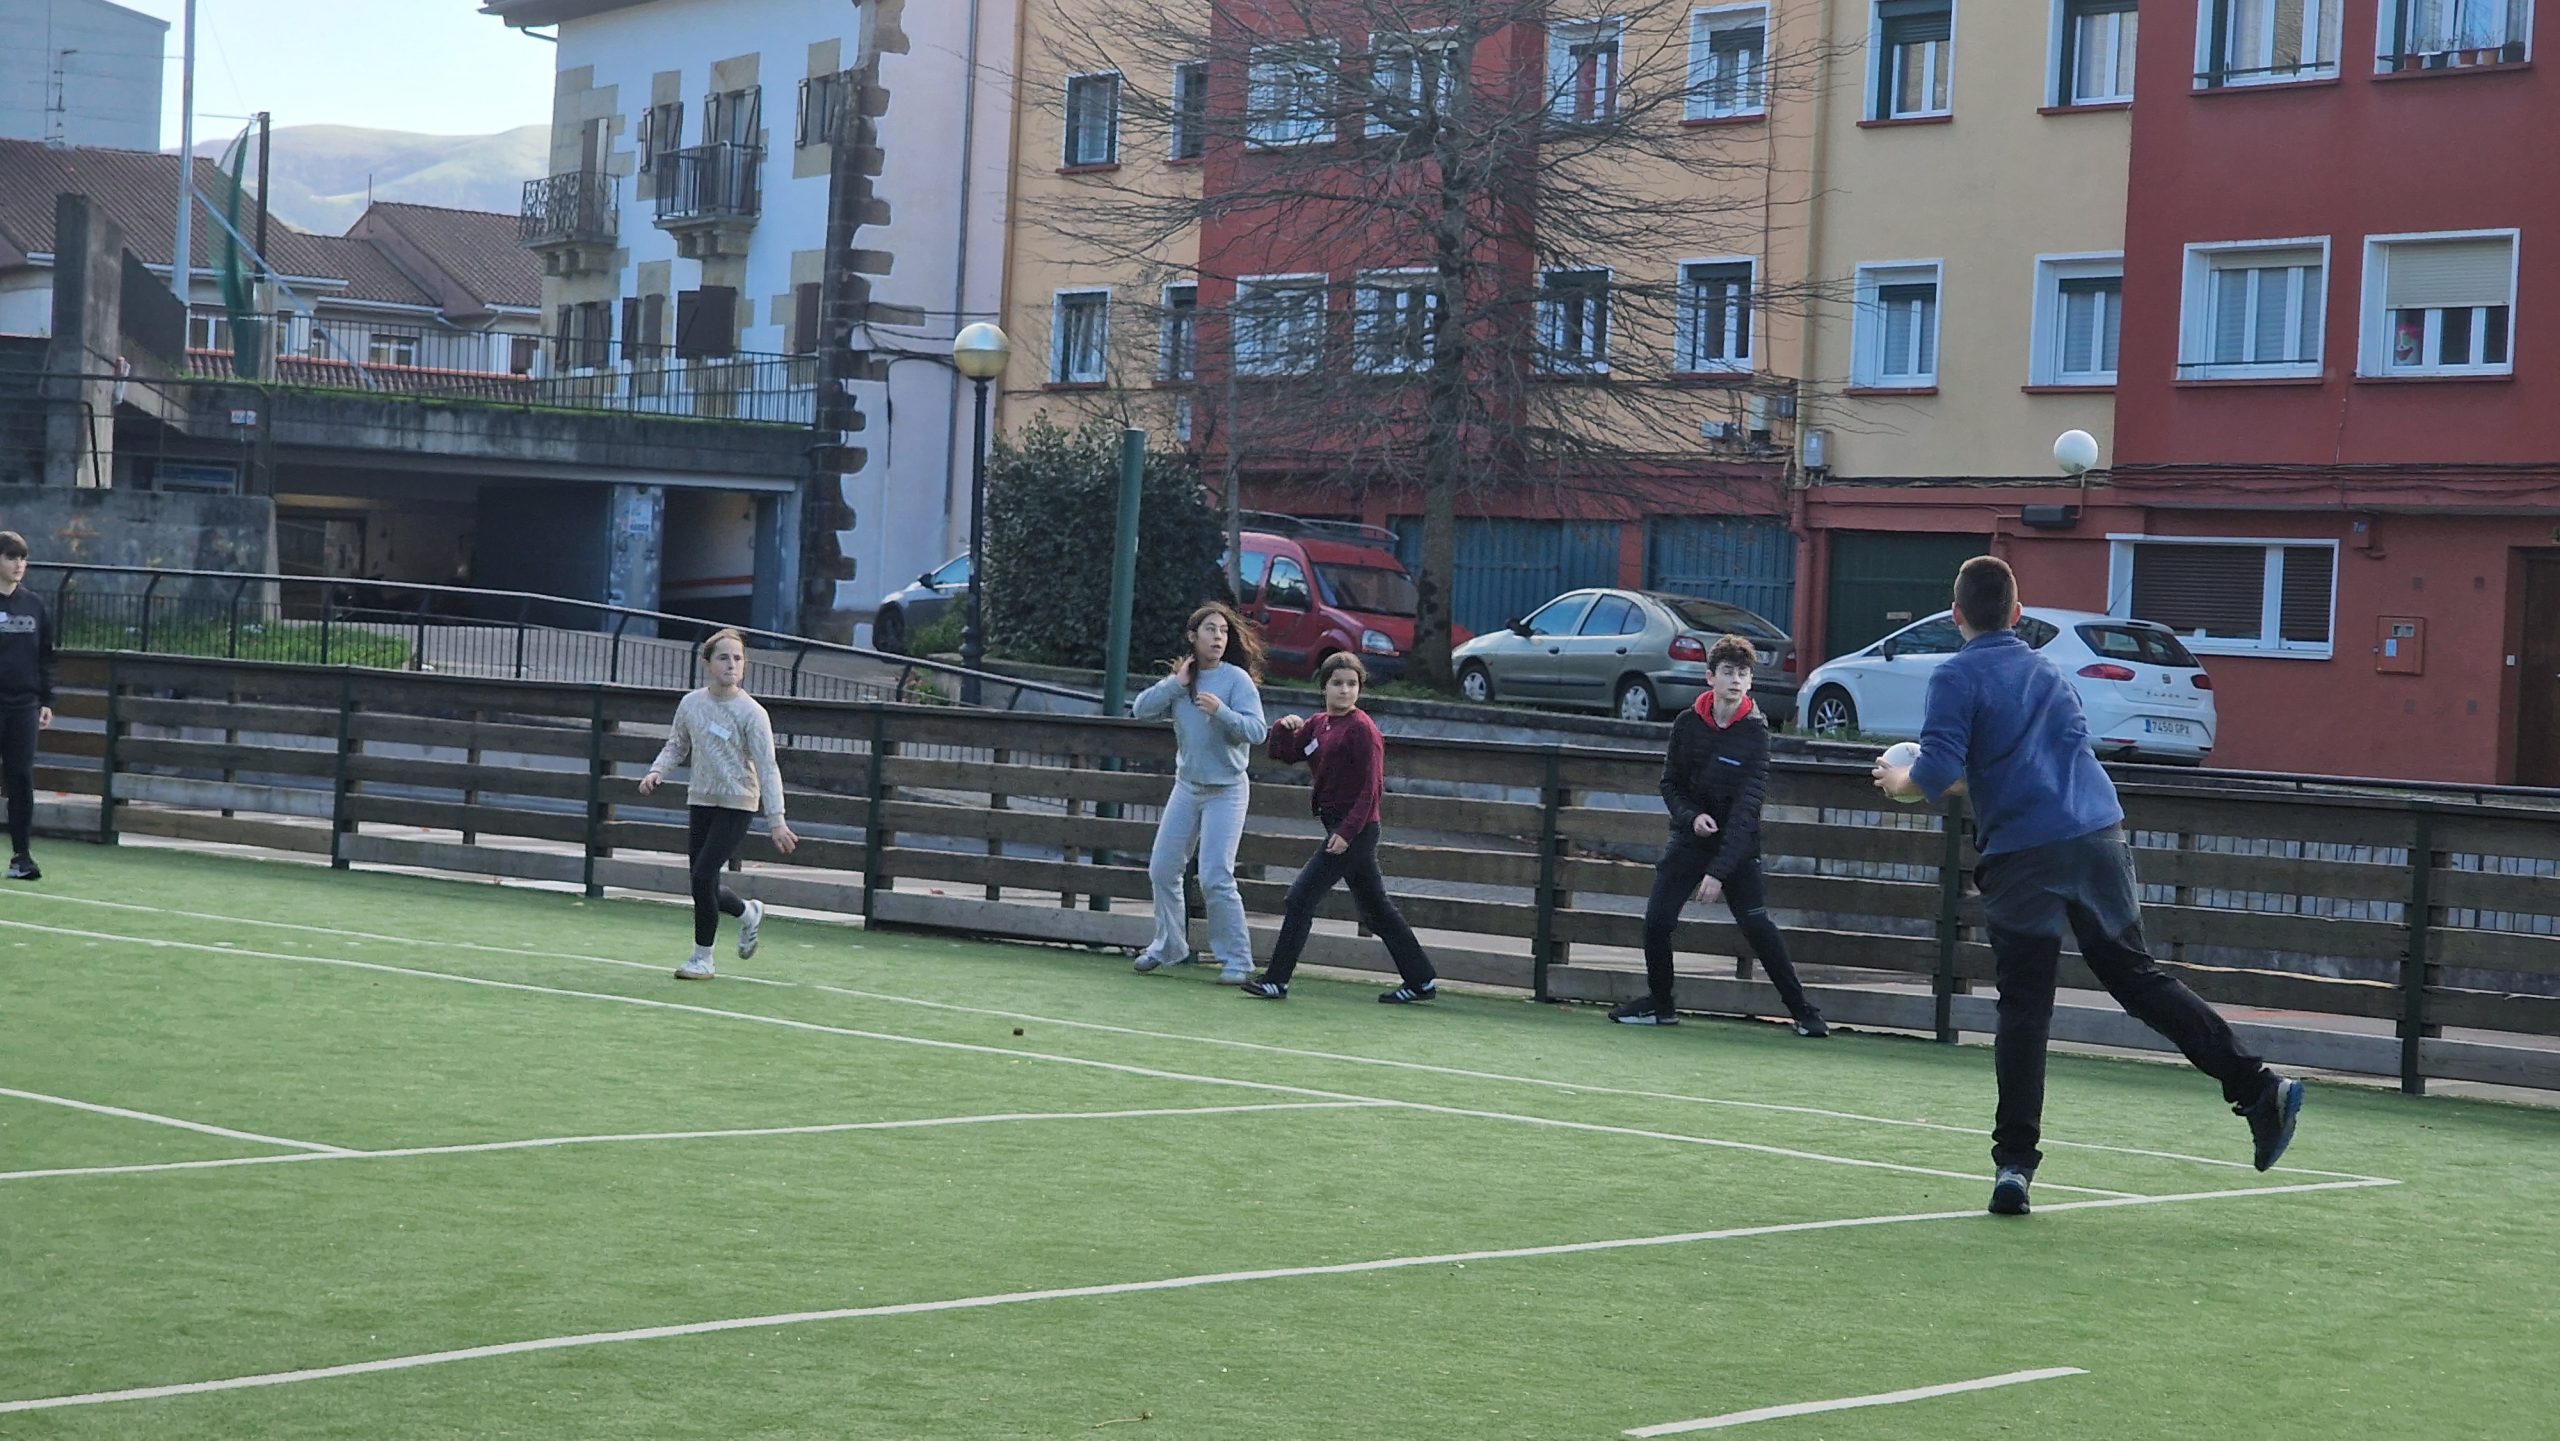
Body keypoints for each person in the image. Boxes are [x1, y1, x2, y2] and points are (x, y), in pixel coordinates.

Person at [1874, 556, 2304, 1216]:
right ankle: (2257, 1086)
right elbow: (2032, 759)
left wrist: (1896, 780)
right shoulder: (2050, 671)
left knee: (2025, 1007)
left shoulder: (1955, 674)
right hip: (2099, 834)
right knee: (2138, 978)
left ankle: (2015, 1166)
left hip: (2025, 855)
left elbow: (1935, 773)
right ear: (2018, 615)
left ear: (1956, 615)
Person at [1609, 634, 1825, 1036]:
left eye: (1743, 673)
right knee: (1657, 921)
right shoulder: (1686, 724)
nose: (1736, 680)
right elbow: (1670, 784)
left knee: (1757, 926)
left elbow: (1748, 808)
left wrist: (1718, 872)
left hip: (1737, 846)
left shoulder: (1756, 733)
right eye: (1728, 672)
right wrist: (1691, 817)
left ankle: (1804, 1013)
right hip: (1690, 839)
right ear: (1711, 677)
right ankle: (1660, 1004)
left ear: (1750, 681)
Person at [1240, 653, 1439, 1003]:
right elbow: (1284, 753)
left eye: (1352, 684)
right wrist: (1282, 727)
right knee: (1376, 909)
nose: (1345, 690)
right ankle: (1421, 980)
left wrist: (1346, 833)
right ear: (1324, 687)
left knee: (1300, 898)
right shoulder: (1319, 724)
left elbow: (1372, 790)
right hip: (1337, 826)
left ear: (1360, 688)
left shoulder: (1363, 730)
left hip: (1356, 830)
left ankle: (1276, 979)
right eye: (1337, 683)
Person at [639, 628, 798, 979]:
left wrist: (777, 820)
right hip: (702, 799)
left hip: (738, 802)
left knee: (703, 875)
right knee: (703, 881)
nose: (732, 664)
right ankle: (747, 913)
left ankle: (703, 958)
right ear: (707, 663)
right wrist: (657, 771)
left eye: (738, 658)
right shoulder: (691, 704)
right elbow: (677, 744)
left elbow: (768, 767)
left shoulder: (752, 713)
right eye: (724, 658)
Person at [1130, 602, 1269, 984]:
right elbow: (1141, 710)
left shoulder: (1236, 680)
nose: (1218, 637)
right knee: (1162, 868)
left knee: (1214, 876)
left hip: (1227, 789)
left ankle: (1237, 961)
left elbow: (1258, 731)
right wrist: (1175, 683)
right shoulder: (1183, 680)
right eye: (1210, 629)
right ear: (1193, 636)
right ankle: (1169, 946)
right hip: (1187, 787)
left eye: (1223, 631)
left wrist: (1222, 712)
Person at [0, 531, 56, 882]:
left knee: (20, 777)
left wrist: (46, 700)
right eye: (11, 557)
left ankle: (21, 857)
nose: (19, 564)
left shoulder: (34, 605)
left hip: (23, 706)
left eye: (23, 558)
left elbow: (46, 656)